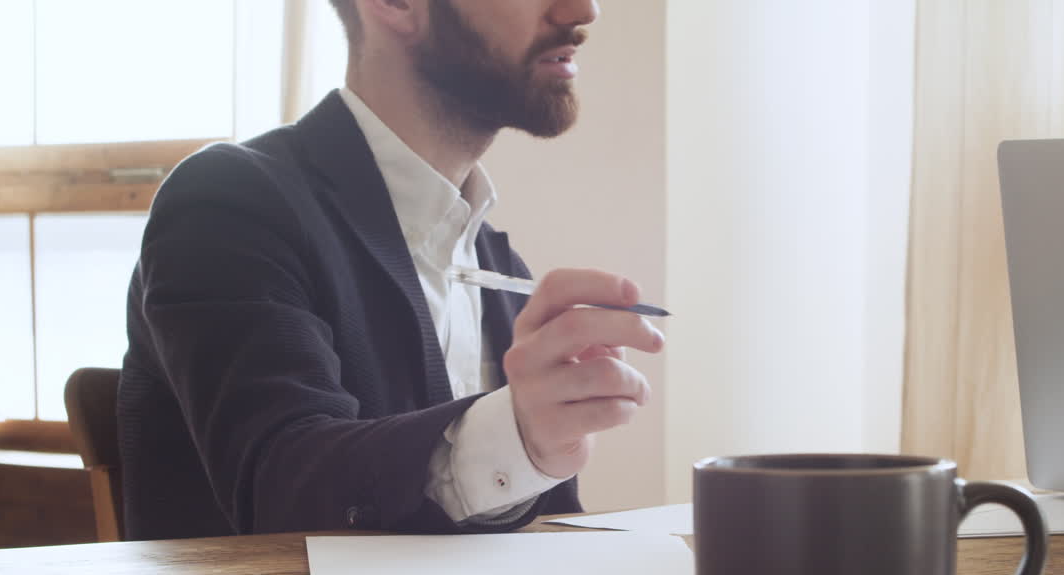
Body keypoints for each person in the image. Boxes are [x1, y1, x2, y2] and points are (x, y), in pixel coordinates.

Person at [118, 0, 663, 540]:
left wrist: (546, 446)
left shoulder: (498, 265)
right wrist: (512, 437)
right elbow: (280, 488)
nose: (584, 9)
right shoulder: (226, 205)